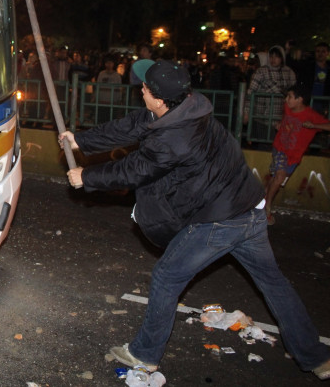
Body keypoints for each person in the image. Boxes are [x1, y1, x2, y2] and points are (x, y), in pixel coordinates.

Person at [58, 59, 330, 380]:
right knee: (273, 282)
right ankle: (315, 357)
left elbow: (134, 169)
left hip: (221, 219)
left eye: (145, 88)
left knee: (166, 276)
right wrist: (82, 141)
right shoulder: (189, 106)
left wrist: (85, 176)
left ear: (159, 98)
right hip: (251, 205)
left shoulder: (174, 138)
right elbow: (133, 125)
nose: (141, 90)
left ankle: (145, 354)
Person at [264, 83, 330, 224]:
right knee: (279, 177)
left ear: (300, 99)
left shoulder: (310, 115)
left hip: (294, 156)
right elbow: (286, 120)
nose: (286, 99)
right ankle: (266, 209)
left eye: (290, 97)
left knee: (277, 179)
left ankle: (262, 200)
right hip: (280, 148)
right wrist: (280, 125)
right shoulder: (287, 107)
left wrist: (314, 126)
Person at [244, 45, 296, 144]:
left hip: (282, 116)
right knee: (264, 144)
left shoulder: (289, 72)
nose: (273, 59)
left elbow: (294, 92)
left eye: (276, 56)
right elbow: (251, 91)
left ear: (282, 58)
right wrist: (246, 111)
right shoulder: (261, 72)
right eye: (271, 56)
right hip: (263, 116)